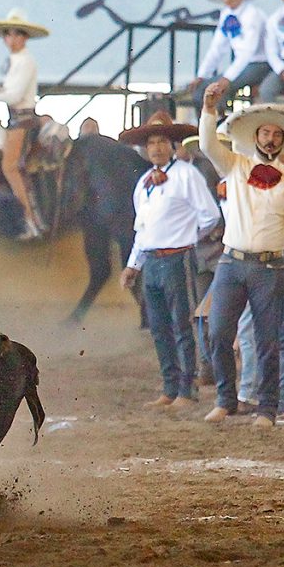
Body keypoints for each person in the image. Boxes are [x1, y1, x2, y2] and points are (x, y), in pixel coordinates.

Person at [198, 82, 284, 427]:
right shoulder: (235, 165)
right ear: (256, 137)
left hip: (270, 266)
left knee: (267, 340)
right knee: (218, 332)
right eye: (265, 132)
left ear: (282, 141)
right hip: (232, 262)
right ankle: (225, 399)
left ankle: (266, 409)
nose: (270, 139)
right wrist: (209, 109)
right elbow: (207, 144)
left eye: (276, 134)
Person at [119, 112, 221, 410]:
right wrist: (132, 265)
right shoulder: (143, 183)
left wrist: (188, 238)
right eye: (151, 142)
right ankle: (169, 386)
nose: (156, 148)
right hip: (151, 261)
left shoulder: (187, 175)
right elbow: (142, 230)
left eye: (162, 141)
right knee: (159, 327)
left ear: (172, 144)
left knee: (181, 325)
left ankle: (186, 390)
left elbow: (210, 215)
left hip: (178, 258)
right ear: (145, 148)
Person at [0, 8, 50, 240]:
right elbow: (10, 91)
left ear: (24, 37)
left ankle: (31, 221)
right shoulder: (17, 61)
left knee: (10, 166)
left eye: (17, 34)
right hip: (15, 119)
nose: (12, 39)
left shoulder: (25, 61)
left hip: (23, 121)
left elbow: (13, 96)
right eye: (8, 34)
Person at [190, 0, 268, 117]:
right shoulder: (227, 14)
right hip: (243, 65)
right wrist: (202, 74)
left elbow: (248, 51)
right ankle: (203, 130)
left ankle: (220, 128)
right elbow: (217, 48)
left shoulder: (252, 14)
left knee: (219, 89)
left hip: (259, 63)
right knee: (201, 89)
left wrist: (228, 78)